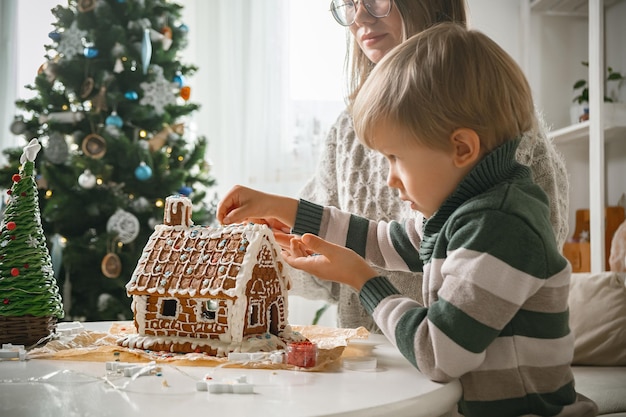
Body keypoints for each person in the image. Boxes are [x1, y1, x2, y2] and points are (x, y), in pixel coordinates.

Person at [217, 23, 596, 417]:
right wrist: (287, 209)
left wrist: (362, 280)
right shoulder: (465, 211)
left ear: (462, 148)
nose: (390, 178)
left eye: (396, 158)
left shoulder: (500, 226)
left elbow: (439, 353)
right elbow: (382, 240)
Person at [291, 0, 570, 331]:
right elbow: (386, 241)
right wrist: (281, 220)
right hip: (379, 369)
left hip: (463, 374)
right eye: (349, 3)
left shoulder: (504, 142)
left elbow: (439, 345)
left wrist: (363, 279)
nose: (360, 15)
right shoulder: (345, 132)